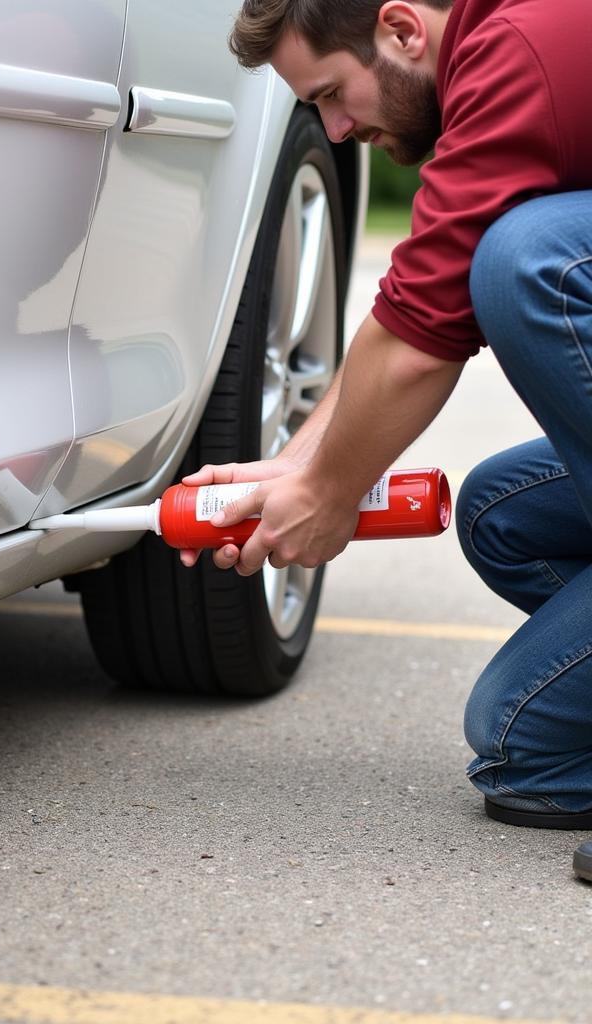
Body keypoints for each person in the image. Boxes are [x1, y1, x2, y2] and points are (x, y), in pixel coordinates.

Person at [178, 0, 592, 875]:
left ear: (402, 30)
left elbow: (419, 345)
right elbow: (408, 307)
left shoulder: (519, 50)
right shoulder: (504, 48)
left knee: (530, 262)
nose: (334, 127)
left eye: (331, 93)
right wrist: (295, 465)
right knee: (502, 516)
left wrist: (329, 496)